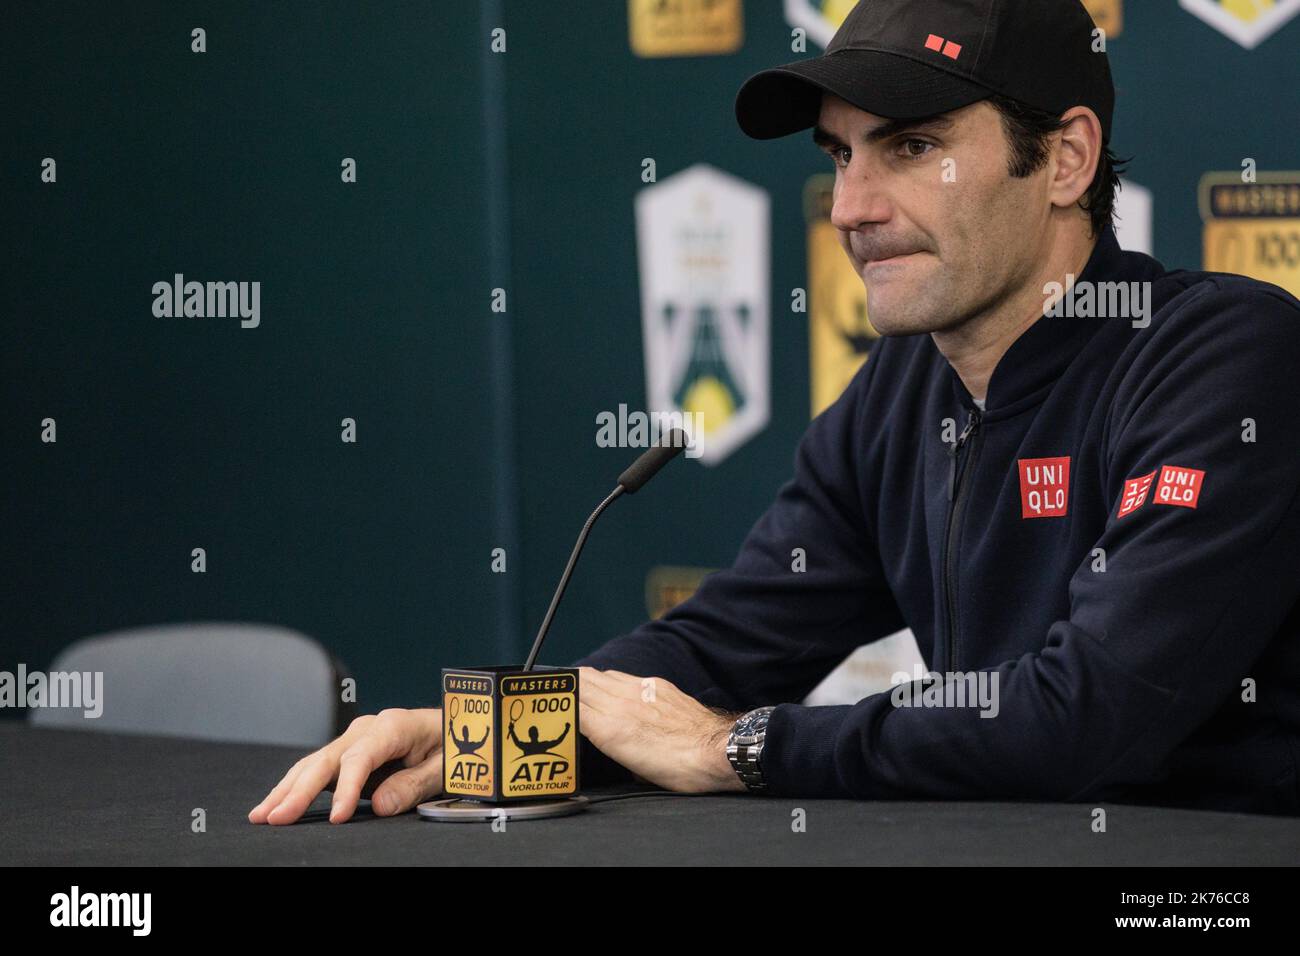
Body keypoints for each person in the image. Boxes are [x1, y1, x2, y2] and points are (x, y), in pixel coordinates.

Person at [250, 0, 1300, 826]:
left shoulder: (1222, 356)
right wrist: (496, 731)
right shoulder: (899, 394)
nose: (849, 208)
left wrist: (739, 748)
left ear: (1065, 158)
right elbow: (717, 648)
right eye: (839, 155)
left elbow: (1084, 716)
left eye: (908, 146)